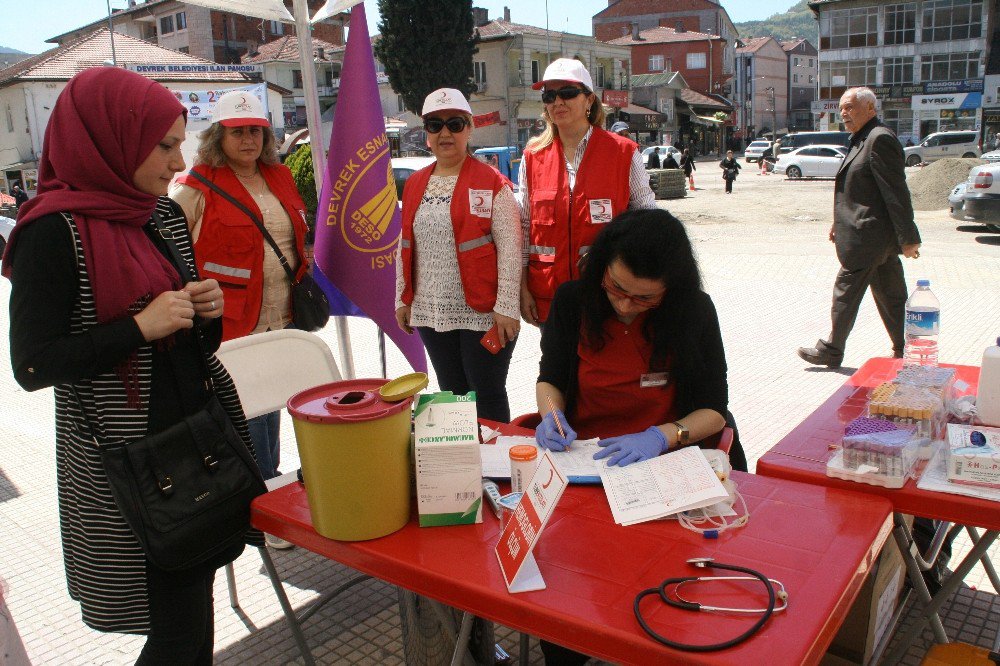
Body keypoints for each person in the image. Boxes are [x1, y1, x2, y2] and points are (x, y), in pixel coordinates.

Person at [4, 67, 250, 663]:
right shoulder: (50, 232)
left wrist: (207, 310)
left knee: (189, 625)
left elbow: (193, 337)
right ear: (112, 138)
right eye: (164, 145)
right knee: (177, 635)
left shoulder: (158, 215)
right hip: (131, 465)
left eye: (180, 142)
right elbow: (32, 367)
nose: (177, 160)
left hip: (198, 444)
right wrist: (138, 328)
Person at [532, 210, 746, 664]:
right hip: (587, 463)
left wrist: (664, 435)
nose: (626, 306)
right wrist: (552, 414)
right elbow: (550, 376)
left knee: (660, 591)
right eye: (617, 289)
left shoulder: (693, 310)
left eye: (645, 299)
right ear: (602, 267)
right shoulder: (573, 301)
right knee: (565, 596)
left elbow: (714, 410)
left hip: (665, 467)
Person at [170, 90, 309, 548]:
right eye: (238, 132)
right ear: (219, 135)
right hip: (231, 325)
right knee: (246, 415)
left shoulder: (279, 175)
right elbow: (171, 248)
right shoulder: (197, 185)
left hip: (282, 317)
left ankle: (268, 493)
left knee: (274, 408)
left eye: (255, 131)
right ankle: (260, 509)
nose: (249, 140)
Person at [394, 88, 521, 422]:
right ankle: (464, 463)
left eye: (454, 124)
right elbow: (404, 244)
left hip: (483, 310)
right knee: (452, 393)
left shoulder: (493, 182)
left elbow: (510, 249)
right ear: (427, 135)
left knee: (487, 393)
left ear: (469, 129)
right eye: (435, 125)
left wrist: (507, 308)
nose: (445, 133)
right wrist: (401, 299)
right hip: (430, 309)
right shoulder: (416, 183)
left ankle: (496, 465)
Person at [518, 58, 657, 326]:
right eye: (549, 95)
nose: (557, 102)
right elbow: (524, 226)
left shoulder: (623, 153)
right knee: (557, 368)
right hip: (550, 298)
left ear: (589, 100)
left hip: (608, 297)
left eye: (568, 93)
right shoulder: (532, 157)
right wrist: (523, 288)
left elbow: (648, 220)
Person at [798, 86, 921, 369]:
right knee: (892, 296)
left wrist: (909, 238)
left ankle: (832, 349)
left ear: (870, 109)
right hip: (869, 235)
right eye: (842, 108)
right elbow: (859, 191)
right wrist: (837, 223)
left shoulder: (879, 139)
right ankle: (907, 348)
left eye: (850, 107)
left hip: (870, 237)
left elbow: (896, 192)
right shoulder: (861, 139)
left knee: (846, 290)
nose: (844, 113)